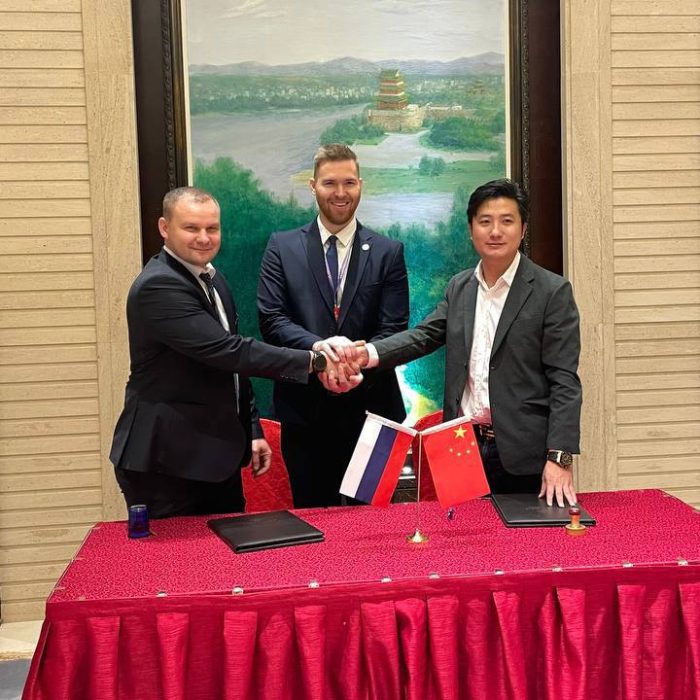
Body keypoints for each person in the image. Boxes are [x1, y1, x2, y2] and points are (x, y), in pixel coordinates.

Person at [110, 186, 355, 518]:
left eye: (212, 228)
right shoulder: (160, 286)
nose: (204, 238)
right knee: (183, 553)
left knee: (227, 549)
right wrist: (316, 360)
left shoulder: (212, 278)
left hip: (212, 457)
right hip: (168, 463)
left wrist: (250, 428)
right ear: (164, 228)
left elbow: (233, 366)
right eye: (192, 228)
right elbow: (229, 351)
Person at [357, 179, 582, 507]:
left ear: (523, 229)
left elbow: (565, 381)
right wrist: (366, 354)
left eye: (507, 221)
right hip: (462, 447)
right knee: (463, 536)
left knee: (524, 538)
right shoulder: (460, 287)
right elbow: (423, 337)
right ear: (471, 229)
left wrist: (559, 457)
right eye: (485, 221)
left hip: (524, 453)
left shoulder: (552, 292)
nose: (495, 231)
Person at [257, 144, 409, 507]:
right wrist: (320, 354)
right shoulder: (282, 247)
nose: (340, 193)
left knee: (375, 528)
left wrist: (352, 364)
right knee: (315, 522)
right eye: (329, 183)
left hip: (373, 413)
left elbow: (394, 328)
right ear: (313, 186)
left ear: (360, 185)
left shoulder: (388, 251)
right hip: (304, 414)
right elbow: (272, 319)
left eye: (349, 183)